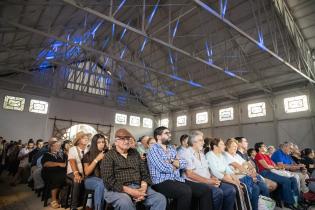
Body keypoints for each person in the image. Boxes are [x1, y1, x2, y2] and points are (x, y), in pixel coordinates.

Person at [147, 126, 212, 210]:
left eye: (169, 133)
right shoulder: (153, 150)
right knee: (185, 191)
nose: (170, 135)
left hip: (176, 179)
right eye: (166, 133)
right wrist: (176, 163)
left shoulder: (171, 148)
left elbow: (184, 163)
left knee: (205, 189)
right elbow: (163, 168)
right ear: (158, 137)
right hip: (161, 182)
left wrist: (171, 161)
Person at [101, 128, 166, 210]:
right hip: (117, 190)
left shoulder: (135, 153)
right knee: (125, 202)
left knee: (160, 199)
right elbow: (108, 180)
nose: (126, 141)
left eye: (128, 139)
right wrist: (132, 192)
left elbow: (144, 172)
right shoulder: (109, 156)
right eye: (122, 139)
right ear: (116, 142)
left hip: (138, 187)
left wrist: (143, 189)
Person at [179, 131, 236, 210]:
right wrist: (208, 181)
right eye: (201, 140)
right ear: (193, 142)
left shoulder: (201, 154)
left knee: (230, 190)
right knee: (217, 192)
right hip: (194, 182)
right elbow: (190, 174)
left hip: (207, 180)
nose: (203, 142)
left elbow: (207, 170)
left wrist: (213, 178)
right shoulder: (186, 153)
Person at [224, 138, 268, 210]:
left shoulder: (236, 155)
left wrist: (252, 170)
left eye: (236, 146)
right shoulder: (226, 155)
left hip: (246, 175)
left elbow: (246, 163)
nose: (236, 148)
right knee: (256, 188)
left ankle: (263, 207)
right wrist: (250, 173)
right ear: (228, 147)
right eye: (234, 146)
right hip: (238, 178)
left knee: (264, 187)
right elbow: (238, 166)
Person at [254, 142, 299, 209]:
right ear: (259, 148)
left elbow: (274, 165)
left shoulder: (266, 155)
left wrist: (279, 167)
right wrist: (276, 167)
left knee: (293, 179)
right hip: (265, 172)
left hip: (272, 171)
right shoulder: (258, 155)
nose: (265, 147)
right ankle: (288, 202)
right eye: (264, 146)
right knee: (286, 181)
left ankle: (296, 201)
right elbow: (266, 166)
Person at [82, 134, 108, 210]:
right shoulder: (88, 155)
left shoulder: (107, 154)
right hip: (89, 179)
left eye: (103, 142)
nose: (101, 144)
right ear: (94, 143)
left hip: (103, 179)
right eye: (99, 142)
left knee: (104, 183)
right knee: (101, 183)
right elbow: (86, 172)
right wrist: (97, 159)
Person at [67, 131, 91, 210]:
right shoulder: (73, 149)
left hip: (84, 173)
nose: (86, 139)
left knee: (90, 181)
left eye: (87, 138)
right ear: (79, 140)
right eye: (84, 138)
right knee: (77, 180)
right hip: (72, 172)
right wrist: (76, 173)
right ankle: (73, 206)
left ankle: (85, 204)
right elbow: (72, 161)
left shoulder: (88, 150)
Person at [41, 138, 67, 209]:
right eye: (56, 146)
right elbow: (46, 164)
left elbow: (66, 163)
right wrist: (59, 164)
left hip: (60, 172)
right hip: (48, 173)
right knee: (57, 177)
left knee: (66, 177)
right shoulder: (47, 154)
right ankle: (53, 199)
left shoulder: (61, 155)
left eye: (59, 146)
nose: (58, 147)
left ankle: (63, 198)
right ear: (51, 147)